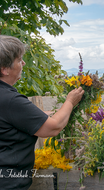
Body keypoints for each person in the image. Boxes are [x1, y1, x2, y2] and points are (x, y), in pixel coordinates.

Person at [0, 35, 84, 190]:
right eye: (19, 60)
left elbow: (17, 120)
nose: (23, 63)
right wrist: (70, 102)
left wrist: (51, 112)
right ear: (4, 69)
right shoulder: (10, 99)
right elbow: (53, 127)